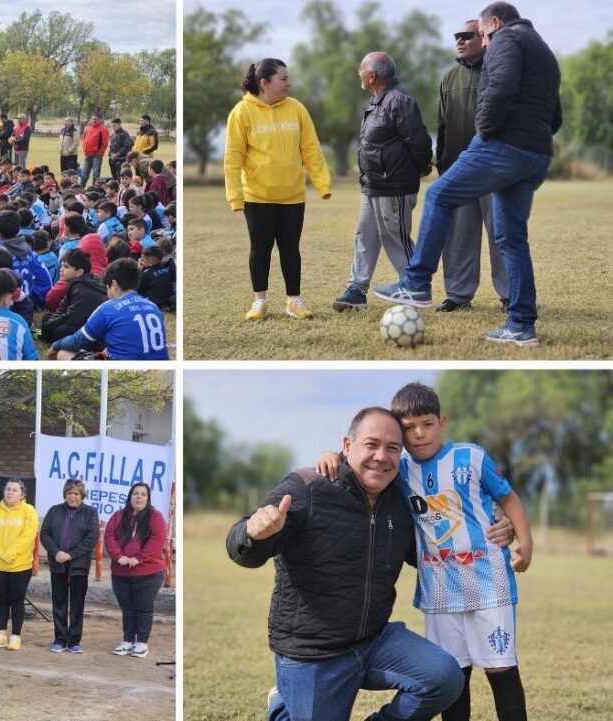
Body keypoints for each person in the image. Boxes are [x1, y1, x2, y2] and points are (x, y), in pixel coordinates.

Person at [227, 409, 465, 721]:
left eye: (392, 448)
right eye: (371, 444)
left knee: (444, 678)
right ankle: (281, 706)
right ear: (347, 445)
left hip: (374, 639)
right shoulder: (308, 487)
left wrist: (490, 533)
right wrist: (252, 533)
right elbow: (243, 548)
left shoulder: (400, 499)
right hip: (314, 652)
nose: (381, 457)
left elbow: (422, 552)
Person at [316, 383, 532, 721]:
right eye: (408, 428)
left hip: (489, 582)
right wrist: (330, 455)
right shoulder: (398, 469)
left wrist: (525, 541)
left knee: (501, 669)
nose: (419, 434)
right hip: (440, 590)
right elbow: (357, 460)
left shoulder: (470, 457)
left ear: (441, 422)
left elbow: (508, 498)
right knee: (453, 674)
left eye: (427, 424)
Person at [373, 2, 561, 347]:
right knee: (511, 239)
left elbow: (501, 87)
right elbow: (556, 117)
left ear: (495, 23)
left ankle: (416, 283)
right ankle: (521, 326)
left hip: (502, 146)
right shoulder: (543, 51)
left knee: (438, 195)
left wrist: (486, 130)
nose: (485, 43)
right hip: (535, 155)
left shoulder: (506, 38)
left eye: (484, 35)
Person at [225, 58, 332, 321]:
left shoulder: (297, 109)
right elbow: (233, 158)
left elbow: (311, 149)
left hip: (292, 195)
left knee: (290, 248)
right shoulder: (241, 112)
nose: (289, 83)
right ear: (264, 83)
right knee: (259, 249)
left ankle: (294, 300)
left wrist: (322, 184)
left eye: (288, 78)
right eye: (283, 79)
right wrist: (235, 196)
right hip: (257, 196)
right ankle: (259, 301)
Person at [332, 52, 433, 312]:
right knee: (365, 235)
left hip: (394, 187)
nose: (359, 74)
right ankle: (356, 289)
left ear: (372, 75)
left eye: (361, 70)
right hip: (372, 185)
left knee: (395, 237)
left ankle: (415, 287)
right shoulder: (376, 101)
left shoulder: (399, 100)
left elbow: (419, 141)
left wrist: (422, 167)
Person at [431, 20, 509, 313]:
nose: (459, 41)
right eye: (456, 37)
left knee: (502, 234)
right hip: (458, 171)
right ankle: (458, 295)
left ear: (483, 38)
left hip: (495, 170)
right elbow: (441, 125)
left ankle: (510, 295)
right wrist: (443, 166)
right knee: (458, 238)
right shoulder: (448, 78)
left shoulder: (502, 72)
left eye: (466, 36)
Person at [50, 258, 169, 361]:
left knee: (62, 353)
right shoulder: (153, 307)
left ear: (114, 284)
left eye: (107, 288)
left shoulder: (107, 308)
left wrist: (55, 345)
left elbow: (78, 340)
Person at [105, 482, 168, 659]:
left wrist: (139, 558)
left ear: (148, 498)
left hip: (148, 572)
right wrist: (119, 556)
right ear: (129, 497)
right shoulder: (118, 516)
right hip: (121, 572)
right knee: (127, 608)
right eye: (135, 494)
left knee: (143, 607)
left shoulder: (155, 517)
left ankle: (141, 642)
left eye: (143, 494)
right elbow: (109, 536)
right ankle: (127, 641)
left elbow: (157, 540)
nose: (139, 497)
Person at [40, 480, 100, 653]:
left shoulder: (90, 513)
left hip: (78, 566)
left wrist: (71, 554)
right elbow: (45, 534)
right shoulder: (54, 511)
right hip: (58, 564)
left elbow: (91, 538)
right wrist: (56, 552)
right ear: (65, 494)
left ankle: (74, 641)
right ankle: (59, 639)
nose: (73, 497)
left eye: (76, 494)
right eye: (70, 493)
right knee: (58, 602)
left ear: (82, 496)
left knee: (76, 604)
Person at [0, 479, 39, 651]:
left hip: (20, 566)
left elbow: (28, 536)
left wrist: (10, 554)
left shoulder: (29, 511)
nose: (10, 492)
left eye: (15, 490)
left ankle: (15, 636)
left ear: (22, 494)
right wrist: (2, 554)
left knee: (16, 601)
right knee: (1, 601)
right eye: (8, 489)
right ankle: (1, 635)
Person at [39, 248, 107, 345]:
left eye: (66, 267)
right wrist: (49, 323)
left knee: (60, 331)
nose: (61, 270)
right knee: (47, 317)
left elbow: (72, 318)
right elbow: (62, 308)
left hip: (90, 332)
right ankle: (41, 333)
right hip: (78, 323)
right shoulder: (76, 283)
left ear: (79, 272)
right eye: (61, 266)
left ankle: (42, 335)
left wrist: (48, 326)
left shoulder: (82, 288)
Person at [82, 115, 109, 186]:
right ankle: (80, 189)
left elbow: (105, 143)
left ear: (100, 120)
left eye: (96, 119)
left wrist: (99, 153)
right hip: (87, 154)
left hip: (96, 156)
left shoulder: (103, 129)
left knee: (95, 174)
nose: (94, 120)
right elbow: (84, 139)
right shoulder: (88, 128)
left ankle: (94, 189)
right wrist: (84, 150)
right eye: (93, 119)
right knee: (84, 173)